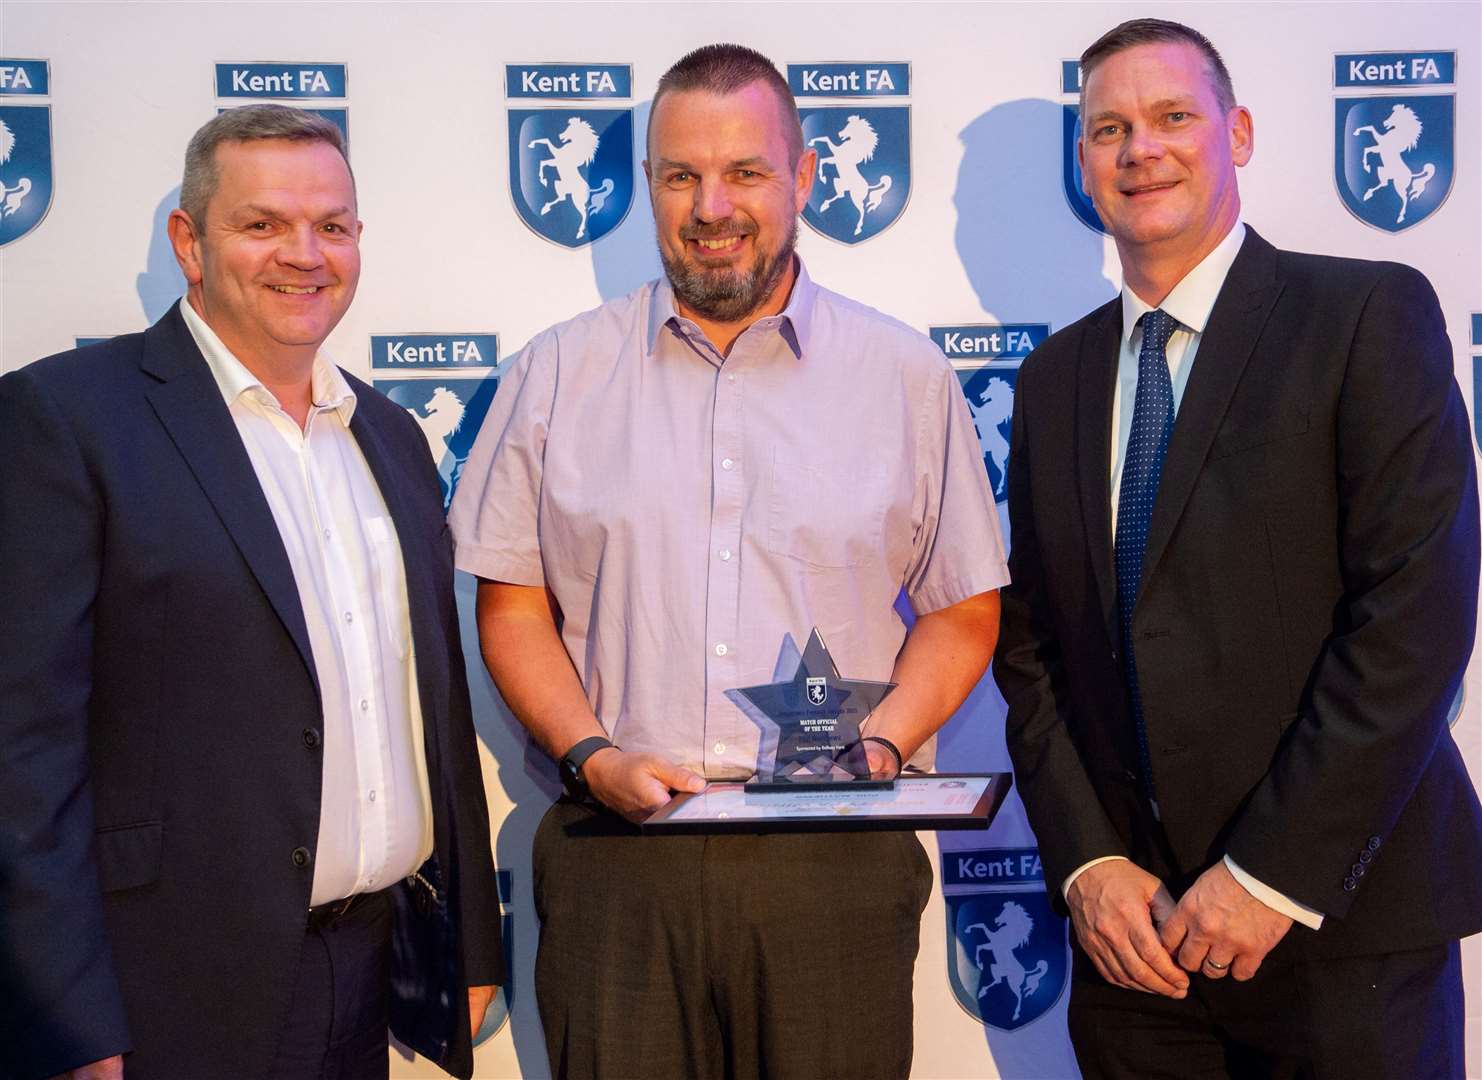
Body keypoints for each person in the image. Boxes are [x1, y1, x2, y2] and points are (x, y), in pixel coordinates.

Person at [449, 43, 1006, 1079]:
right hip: (615, 863)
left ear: (801, 178)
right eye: (680, 175)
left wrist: (878, 748)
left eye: (745, 171)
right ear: (650, 187)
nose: (713, 206)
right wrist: (588, 755)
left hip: (833, 870)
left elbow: (965, 608)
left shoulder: (905, 376)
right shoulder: (556, 372)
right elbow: (513, 606)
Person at [997, 18, 1482, 1078]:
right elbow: (1032, 653)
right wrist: (1087, 864)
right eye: (1108, 128)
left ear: (1240, 133)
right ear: (1084, 162)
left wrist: (1267, 876)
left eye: (1174, 117)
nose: (1141, 149)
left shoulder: (1364, 316)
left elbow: (1414, 620)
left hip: (1338, 930)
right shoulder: (1053, 380)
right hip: (1138, 953)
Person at [0, 105, 502, 1080]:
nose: (304, 255)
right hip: (163, 992)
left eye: (332, 226)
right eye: (262, 224)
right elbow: (21, 748)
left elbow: (431, 708)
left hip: (366, 972)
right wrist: (66, 1017)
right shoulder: (65, 420)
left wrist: (469, 943)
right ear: (190, 243)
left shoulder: (388, 434)